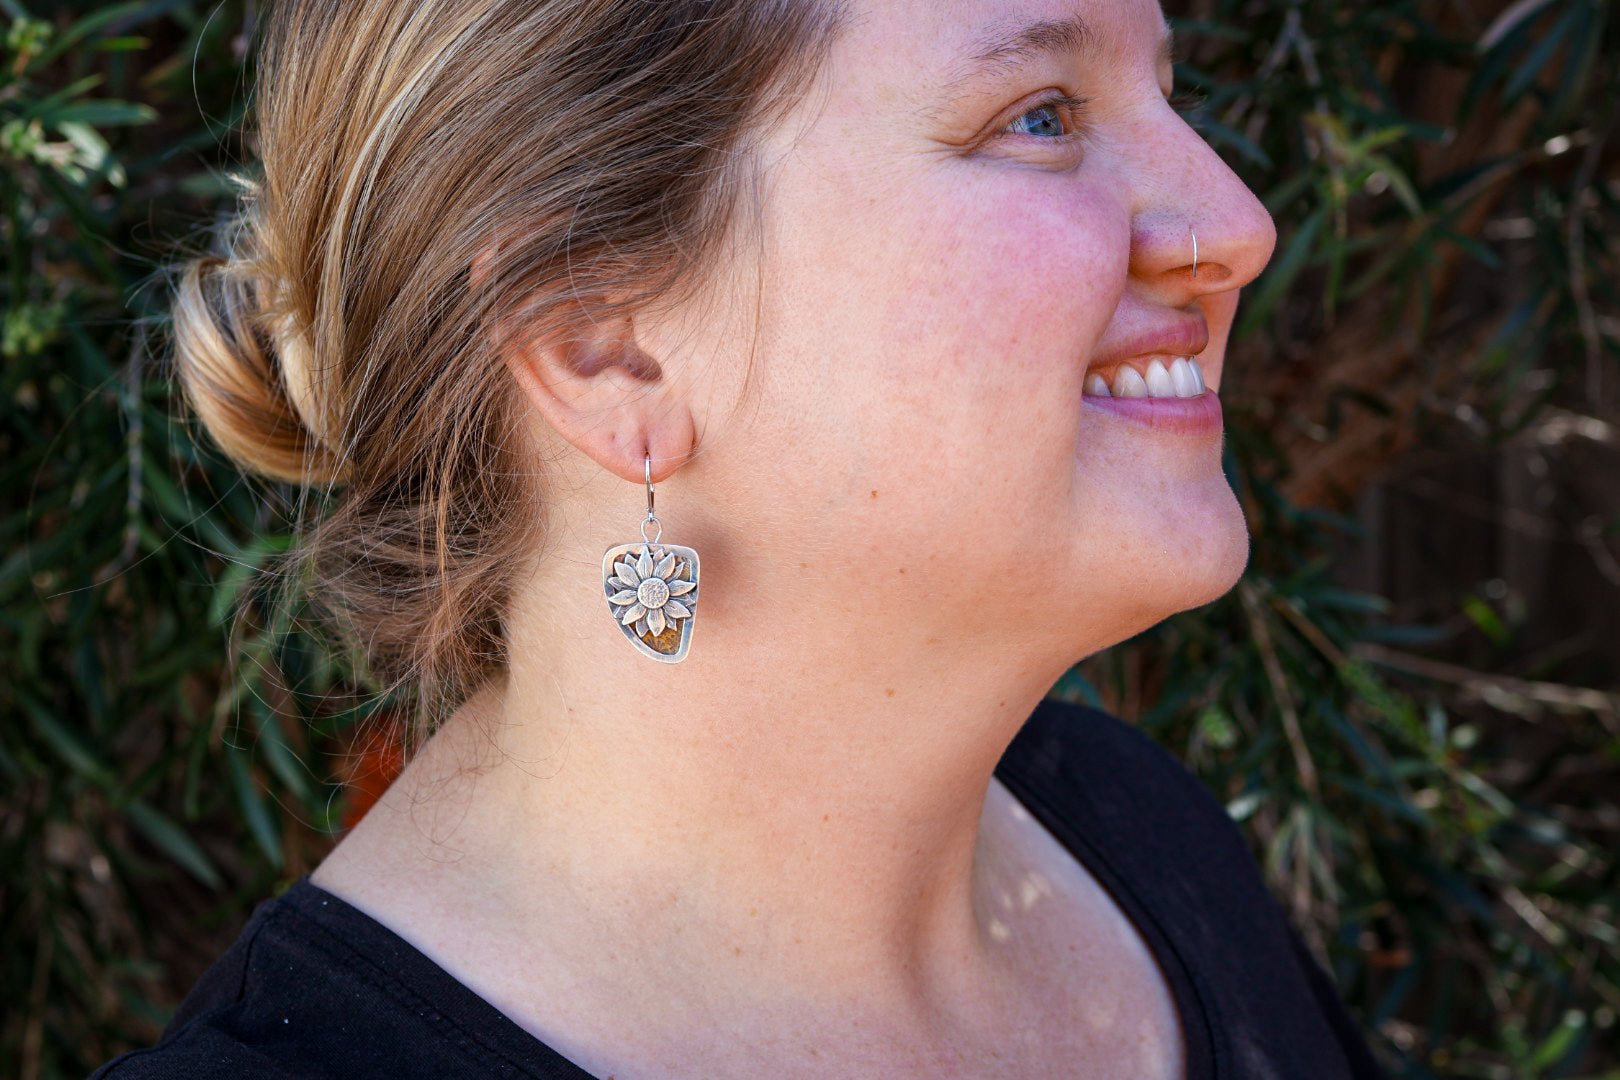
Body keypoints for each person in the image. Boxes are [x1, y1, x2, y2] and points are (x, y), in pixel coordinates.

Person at [93, 0, 1389, 1076]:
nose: (1236, 223)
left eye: (1171, 91)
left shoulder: (1138, 840)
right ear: (606, 348)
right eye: (1039, 118)